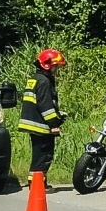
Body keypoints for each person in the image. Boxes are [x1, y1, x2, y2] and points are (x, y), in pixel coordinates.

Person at [18, 49, 67, 191]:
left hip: (34, 122)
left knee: (39, 154)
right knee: (44, 154)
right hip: (41, 124)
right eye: (55, 66)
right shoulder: (44, 81)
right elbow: (45, 105)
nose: (56, 69)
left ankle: (35, 182)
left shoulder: (35, 79)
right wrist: (54, 124)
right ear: (47, 65)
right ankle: (37, 185)